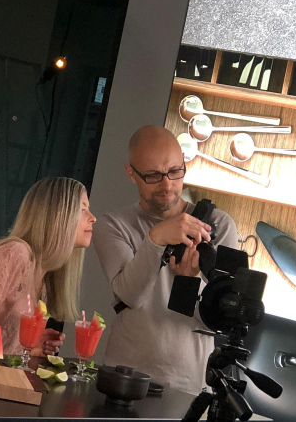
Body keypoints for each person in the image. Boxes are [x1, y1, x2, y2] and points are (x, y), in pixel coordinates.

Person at [93, 125, 238, 395]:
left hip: (190, 382)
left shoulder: (219, 225)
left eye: (174, 171)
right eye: (153, 176)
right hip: (124, 376)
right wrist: (156, 238)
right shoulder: (112, 225)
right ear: (131, 173)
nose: (167, 185)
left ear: (184, 164)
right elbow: (131, 296)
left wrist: (189, 284)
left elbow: (224, 318)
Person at [0, 177, 96, 357]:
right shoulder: (15, 254)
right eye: (83, 210)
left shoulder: (42, 280)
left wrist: (31, 350)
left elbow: (2, 353)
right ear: (58, 216)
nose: (93, 218)